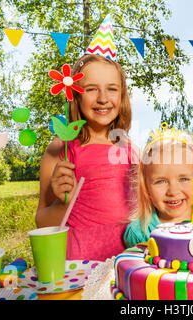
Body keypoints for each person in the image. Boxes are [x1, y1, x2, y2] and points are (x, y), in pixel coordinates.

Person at [36, 54, 138, 261]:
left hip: (128, 257)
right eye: (91, 89)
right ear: (76, 96)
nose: (103, 98)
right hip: (81, 260)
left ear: (122, 96)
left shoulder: (131, 149)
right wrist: (63, 203)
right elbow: (42, 223)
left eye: (112, 88)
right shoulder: (61, 149)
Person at [124, 125, 193, 247]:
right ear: (145, 187)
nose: (173, 191)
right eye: (160, 181)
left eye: (184, 179)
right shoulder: (139, 233)